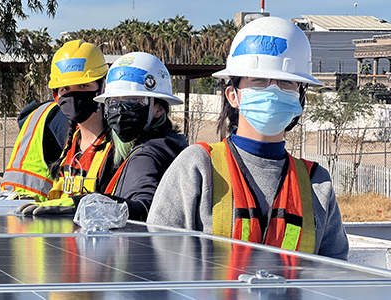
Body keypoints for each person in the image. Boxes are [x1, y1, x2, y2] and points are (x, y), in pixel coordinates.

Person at [147, 17, 349, 260]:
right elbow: (156, 260)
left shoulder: (317, 183)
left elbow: (334, 275)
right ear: (233, 95)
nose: (273, 90)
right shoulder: (198, 167)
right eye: (259, 81)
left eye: (286, 82)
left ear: (299, 96)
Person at [21, 52, 188, 221]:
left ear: (159, 109)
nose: (120, 110)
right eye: (113, 102)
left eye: (132, 100)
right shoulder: (171, 143)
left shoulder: (148, 154)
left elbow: (145, 206)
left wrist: (82, 204)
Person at [1, 40, 108, 202]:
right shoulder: (65, 131)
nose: (74, 96)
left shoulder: (113, 144)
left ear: (102, 87)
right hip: (34, 210)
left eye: (83, 86)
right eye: (66, 88)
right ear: (56, 95)